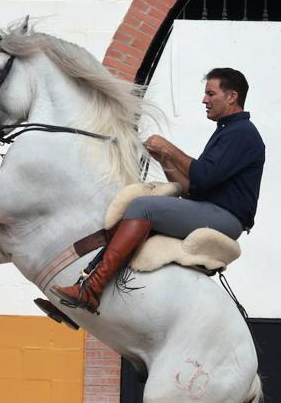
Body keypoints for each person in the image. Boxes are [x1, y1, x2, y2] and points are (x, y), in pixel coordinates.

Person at [52, 67, 265, 314]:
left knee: (143, 206)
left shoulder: (242, 133)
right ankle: (88, 285)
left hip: (226, 218)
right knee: (140, 208)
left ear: (232, 97)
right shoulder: (228, 130)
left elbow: (203, 176)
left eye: (210, 93)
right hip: (211, 210)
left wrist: (168, 147)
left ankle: (93, 288)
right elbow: (192, 191)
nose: (204, 100)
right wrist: (164, 159)